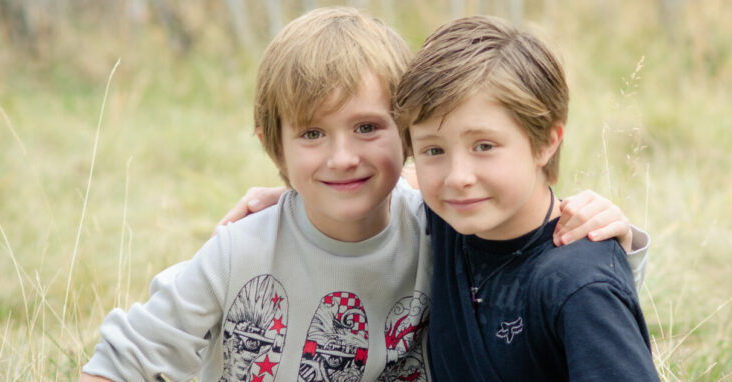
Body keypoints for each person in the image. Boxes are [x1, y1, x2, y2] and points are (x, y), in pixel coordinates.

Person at [80, 7, 642, 382]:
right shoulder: (240, 250)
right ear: (274, 148)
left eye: (368, 128)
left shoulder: (441, 227)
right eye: (311, 134)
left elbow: (534, 256)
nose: (342, 157)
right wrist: (297, 194)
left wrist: (610, 233)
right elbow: (124, 359)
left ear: (402, 135)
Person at [394, 16, 659, 381]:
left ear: (547, 142)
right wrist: (291, 203)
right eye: (433, 150)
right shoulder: (448, 219)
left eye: (484, 146)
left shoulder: (579, 284)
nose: (457, 178)